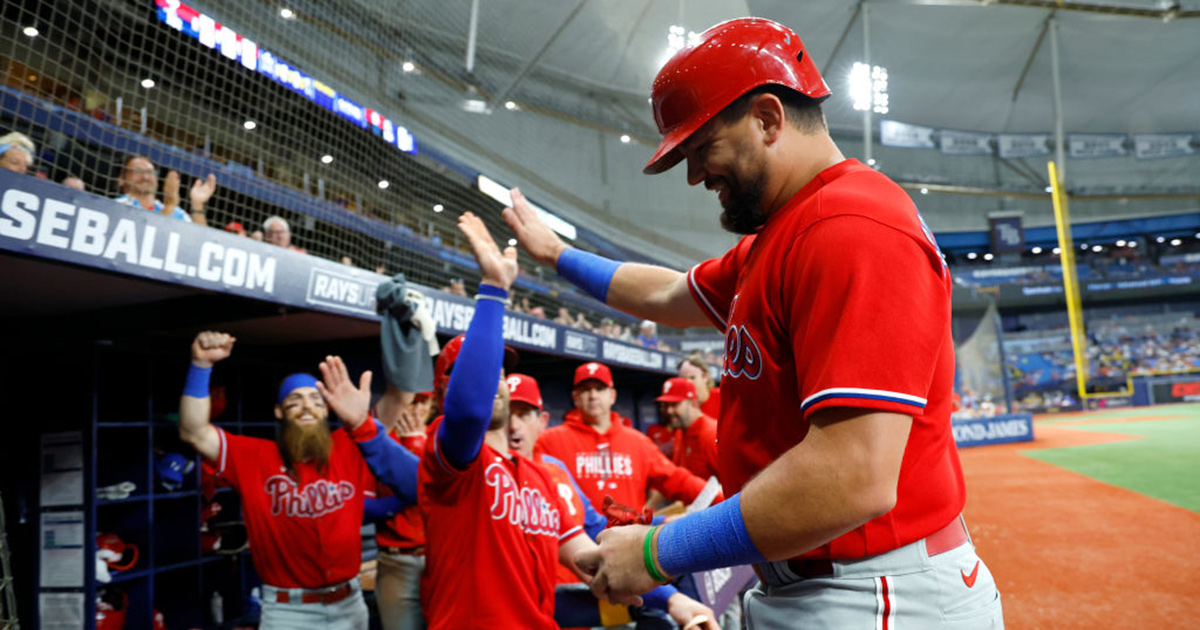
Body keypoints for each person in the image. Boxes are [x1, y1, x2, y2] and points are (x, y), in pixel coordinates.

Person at [502, 17, 1003, 629]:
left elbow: (853, 476)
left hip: (872, 591)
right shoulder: (787, 233)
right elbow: (665, 291)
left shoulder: (851, 226)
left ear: (767, 118)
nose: (693, 175)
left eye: (701, 146)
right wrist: (557, 255)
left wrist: (660, 552)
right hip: (824, 584)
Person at [417, 212, 715, 630]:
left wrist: (673, 601)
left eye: (502, 376)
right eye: (487, 376)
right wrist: (493, 291)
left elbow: (587, 550)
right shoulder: (450, 460)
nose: (496, 385)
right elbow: (468, 411)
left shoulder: (544, 477)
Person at [178, 332, 420, 630]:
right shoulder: (253, 457)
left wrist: (404, 332)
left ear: (327, 408)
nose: (307, 406)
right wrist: (201, 364)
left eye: (315, 400)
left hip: (350, 603)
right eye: (295, 400)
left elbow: (400, 396)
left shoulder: (349, 443)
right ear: (279, 412)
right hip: (288, 613)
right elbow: (193, 431)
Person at [506, 372, 719, 630]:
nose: (513, 426)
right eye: (505, 415)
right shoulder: (548, 444)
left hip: (588, 585)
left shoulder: (554, 471)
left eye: (523, 415)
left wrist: (671, 597)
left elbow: (590, 527)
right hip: (541, 595)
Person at [536, 361, 714, 515]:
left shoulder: (637, 442)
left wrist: (716, 496)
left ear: (612, 396)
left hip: (626, 546)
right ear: (575, 397)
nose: (593, 396)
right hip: (577, 546)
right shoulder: (549, 440)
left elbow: (675, 480)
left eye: (599, 389)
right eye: (585, 390)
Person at [114, 155, 217, 225]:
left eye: (150, 172)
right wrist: (169, 205)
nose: (145, 177)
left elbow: (201, 241)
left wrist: (197, 205)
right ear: (121, 180)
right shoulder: (117, 206)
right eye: (137, 171)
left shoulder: (178, 213)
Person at [655, 377, 718, 482]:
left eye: (675, 404)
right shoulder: (680, 431)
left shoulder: (711, 434)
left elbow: (734, 485)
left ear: (693, 403)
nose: (669, 411)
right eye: (666, 405)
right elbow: (678, 476)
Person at [678, 354, 721, 421]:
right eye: (683, 380)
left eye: (692, 378)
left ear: (705, 376)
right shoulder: (680, 404)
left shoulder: (722, 397)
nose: (687, 383)